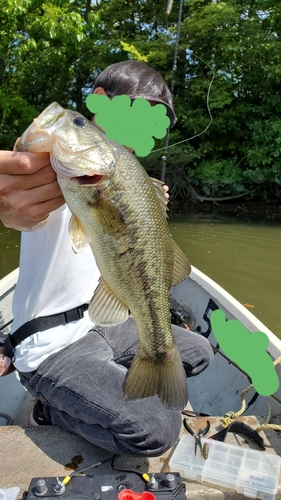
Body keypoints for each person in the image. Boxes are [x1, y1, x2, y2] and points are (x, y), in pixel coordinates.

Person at [0, 61, 213, 456]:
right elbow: (21, 179)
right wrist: (8, 200)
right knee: (156, 430)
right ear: (99, 102)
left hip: (97, 323)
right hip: (51, 346)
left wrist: (149, 202)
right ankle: (49, 410)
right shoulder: (58, 165)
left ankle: (107, 382)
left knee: (199, 352)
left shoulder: (125, 177)